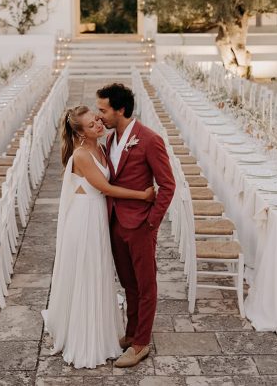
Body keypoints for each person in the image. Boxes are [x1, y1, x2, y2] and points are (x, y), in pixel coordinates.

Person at [42, 105, 156, 369]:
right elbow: (105, 187)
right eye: (92, 124)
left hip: (97, 217)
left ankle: (102, 329)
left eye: (96, 119)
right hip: (84, 220)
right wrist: (143, 195)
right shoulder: (81, 154)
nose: (98, 124)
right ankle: (85, 337)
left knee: (98, 272)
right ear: (81, 134)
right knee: (87, 272)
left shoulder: (102, 147)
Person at [96, 83, 175, 368]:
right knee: (128, 283)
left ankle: (142, 343)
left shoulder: (150, 140)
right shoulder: (108, 140)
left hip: (140, 225)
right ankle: (131, 333)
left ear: (120, 109)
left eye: (103, 110)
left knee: (146, 286)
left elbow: (167, 185)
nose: (99, 115)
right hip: (115, 222)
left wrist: (151, 223)